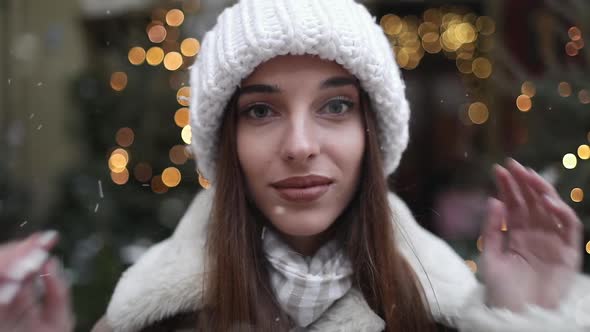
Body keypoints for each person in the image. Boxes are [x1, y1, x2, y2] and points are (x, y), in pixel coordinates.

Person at [1, 0, 588, 331]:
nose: (300, 144)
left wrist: (530, 315)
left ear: (371, 134)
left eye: (335, 106)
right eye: (261, 111)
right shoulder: (146, 319)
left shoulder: (453, 314)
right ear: (225, 141)